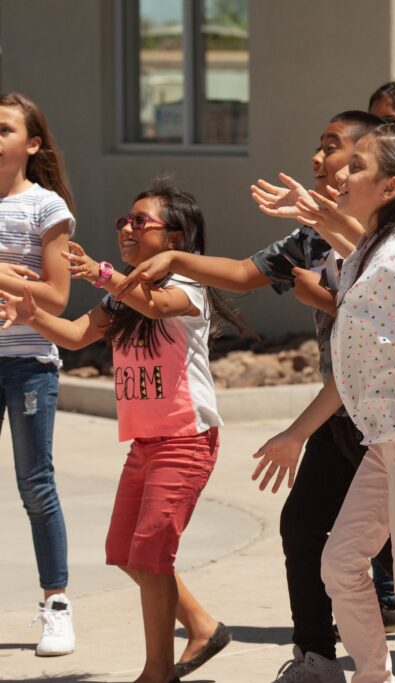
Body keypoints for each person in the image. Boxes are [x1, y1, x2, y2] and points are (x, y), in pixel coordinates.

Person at [117, 111, 384, 682]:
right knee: (305, 528)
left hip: (394, 418)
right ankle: (317, 657)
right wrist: (177, 259)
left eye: (333, 149)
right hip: (341, 408)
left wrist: (325, 295)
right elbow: (241, 272)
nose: (318, 159)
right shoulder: (311, 235)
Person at [251, 123, 395, 682]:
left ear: (390, 187)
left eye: (357, 165)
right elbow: (354, 373)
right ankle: (373, 676)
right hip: (388, 442)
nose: (341, 171)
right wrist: (296, 434)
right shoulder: (370, 254)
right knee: (340, 564)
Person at [1, 181, 241, 683]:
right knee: (124, 552)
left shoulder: (188, 287)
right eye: (124, 221)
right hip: (145, 444)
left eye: (140, 221)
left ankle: (157, 672)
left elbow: (156, 306)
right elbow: (72, 335)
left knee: (152, 555)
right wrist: (31, 314)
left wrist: (104, 274)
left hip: (186, 439)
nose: (127, 229)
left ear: (174, 236)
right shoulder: (121, 296)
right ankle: (201, 624)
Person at [0, 92, 76, 657]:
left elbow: (56, 295)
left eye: (4, 129)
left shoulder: (45, 207)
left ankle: (57, 605)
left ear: (31, 144)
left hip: (28, 361)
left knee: (35, 484)